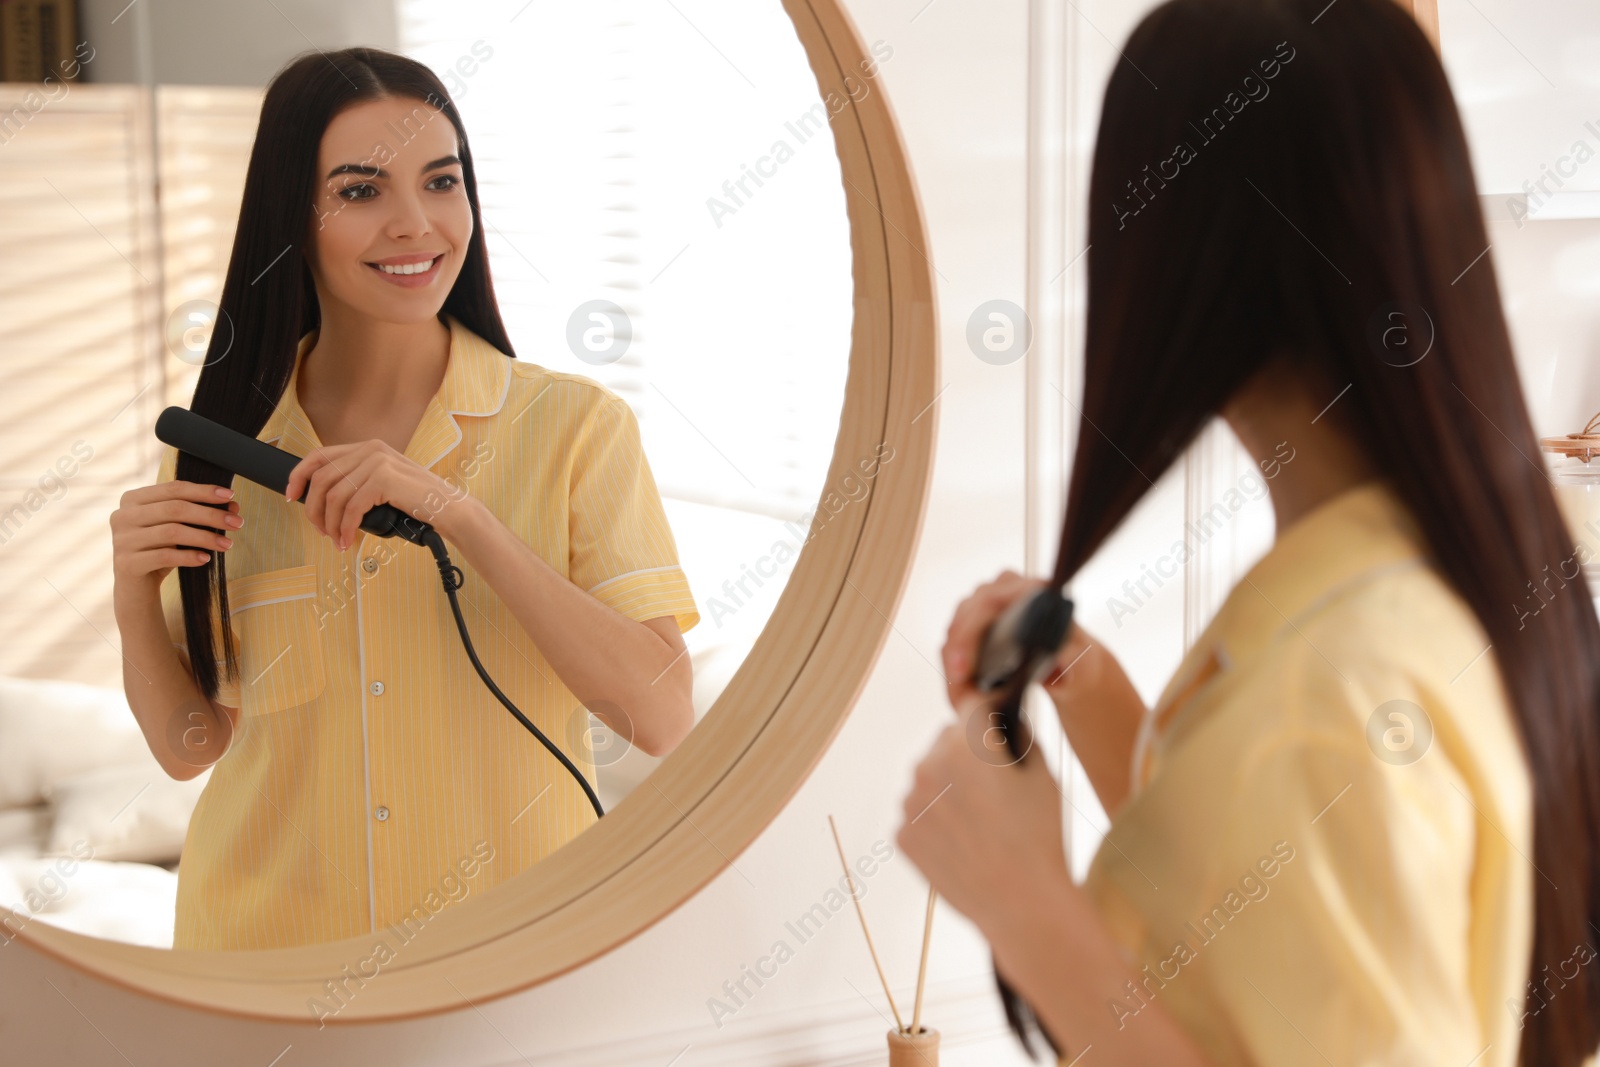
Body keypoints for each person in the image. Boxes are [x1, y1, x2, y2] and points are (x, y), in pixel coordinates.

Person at [895, 1, 1600, 1064]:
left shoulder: (1324, 696)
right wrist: (1095, 699)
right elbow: (1271, 940)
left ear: (1182, 263)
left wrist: (1030, 909)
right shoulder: (1433, 592)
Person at [109, 48, 699, 951]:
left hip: (506, 963)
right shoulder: (224, 454)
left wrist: (461, 515)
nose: (416, 224)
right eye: (359, 191)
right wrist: (129, 596)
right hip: (263, 963)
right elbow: (193, 745)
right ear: (291, 219)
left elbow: (659, 717)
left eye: (441, 182)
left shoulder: (578, 428)